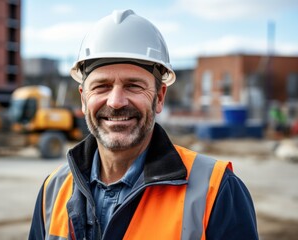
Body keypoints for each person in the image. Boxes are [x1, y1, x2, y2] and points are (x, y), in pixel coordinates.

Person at [29, 9, 258, 240]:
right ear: (83, 98)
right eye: (102, 86)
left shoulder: (217, 190)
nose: (116, 102)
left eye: (133, 86)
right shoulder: (53, 190)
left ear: (159, 97)